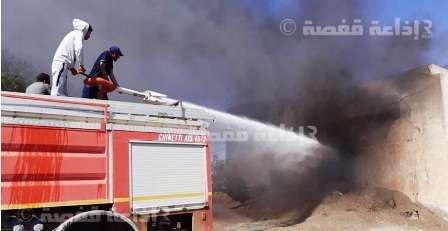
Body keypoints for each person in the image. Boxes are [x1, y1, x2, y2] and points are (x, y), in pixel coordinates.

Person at [51, 19, 93, 96]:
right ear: (86, 30)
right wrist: (81, 65)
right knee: (57, 91)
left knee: (63, 92)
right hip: (61, 64)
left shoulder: (73, 34)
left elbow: (69, 53)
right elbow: (78, 49)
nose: (89, 36)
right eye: (89, 33)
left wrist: (72, 68)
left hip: (63, 65)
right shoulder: (79, 33)